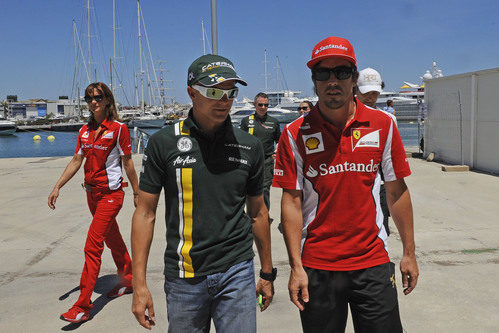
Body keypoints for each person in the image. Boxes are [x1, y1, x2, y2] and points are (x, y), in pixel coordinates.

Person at [273, 36, 419, 332]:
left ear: (354, 79)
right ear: (313, 81)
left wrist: (409, 253)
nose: (332, 80)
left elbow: (396, 191)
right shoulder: (294, 133)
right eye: (322, 73)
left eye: (341, 72)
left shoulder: (383, 124)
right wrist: (295, 267)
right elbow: (291, 201)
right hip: (317, 265)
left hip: (373, 261)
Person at [131, 54, 275, 332]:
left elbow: (258, 213)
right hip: (184, 277)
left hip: (237, 272)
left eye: (230, 92)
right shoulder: (164, 143)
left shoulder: (250, 146)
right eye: (213, 91)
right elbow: (145, 213)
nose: (224, 100)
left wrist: (267, 273)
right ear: (191, 92)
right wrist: (139, 285)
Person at [48, 82, 139, 323]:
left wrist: (137, 192)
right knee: (113, 238)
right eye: (89, 98)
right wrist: (58, 185)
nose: (93, 102)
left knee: (93, 246)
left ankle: (83, 306)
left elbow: (128, 162)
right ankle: (128, 280)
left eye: (98, 97)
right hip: (91, 195)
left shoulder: (118, 129)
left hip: (111, 195)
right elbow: (77, 160)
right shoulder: (84, 131)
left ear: (107, 100)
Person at [356, 67, 398, 236]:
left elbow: (392, 158)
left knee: (382, 227)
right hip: (355, 185)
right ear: (355, 89)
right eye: (366, 92)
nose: (370, 97)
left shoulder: (388, 120)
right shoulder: (344, 119)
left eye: (375, 92)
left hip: (380, 185)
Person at [240, 92, 281, 212]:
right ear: (254, 104)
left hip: (266, 161)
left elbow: (279, 140)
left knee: (264, 189)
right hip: (249, 161)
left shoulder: (274, 122)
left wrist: (277, 150)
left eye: (266, 105)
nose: (263, 107)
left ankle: (264, 216)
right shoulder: (246, 121)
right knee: (247, 189)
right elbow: (241, 140)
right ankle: (249, 217)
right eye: (260, 105)